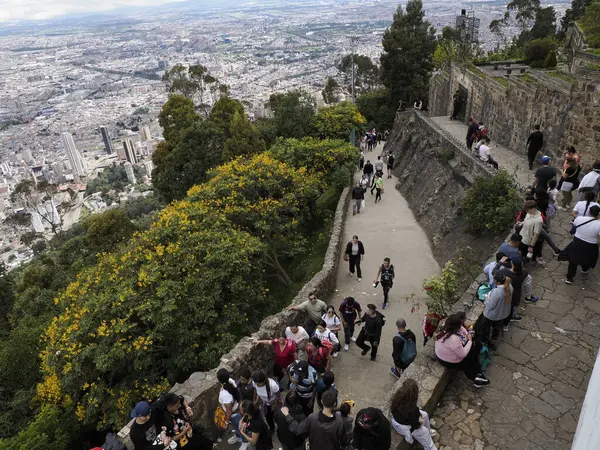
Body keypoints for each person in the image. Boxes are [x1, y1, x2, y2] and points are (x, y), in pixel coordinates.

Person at [434, 314, 489, 387]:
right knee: (469, 359)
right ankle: (476, 377)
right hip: (447, 361)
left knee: (472, 353)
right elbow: (462, 354)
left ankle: (478, 373)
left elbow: (463, 330)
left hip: (442, 354)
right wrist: (470, 341)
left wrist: (467, 335)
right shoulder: (454, 339)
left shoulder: (444, 328)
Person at [281, 390, 347, 450]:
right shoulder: (339, 422)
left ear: (321, 401)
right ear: (335, 404)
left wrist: (287, 415)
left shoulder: (312, 418)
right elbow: (343, 441)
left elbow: (298, 430)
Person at [390, 379, 437, 450]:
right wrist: (420, 421)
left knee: (425, 415)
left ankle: (428, 432)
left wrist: (419, 417)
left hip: (403, 421)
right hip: (408, 427)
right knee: (424, 432)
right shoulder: (410, 409)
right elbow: (416, 425)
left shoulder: (397, 399)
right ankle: (428, 443)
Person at [561, 205, 600, 284]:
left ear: (589, 211)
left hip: (577, 242)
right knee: (587, 258)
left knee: (573, 260)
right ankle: (585, 268)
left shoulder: (579, 218)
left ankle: (569, 278)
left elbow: (575, 226)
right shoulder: (599, 224)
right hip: (591, 245)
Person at [479, 272, 512, 349]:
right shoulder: (510, 287)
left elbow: (490, 306)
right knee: (496, 330)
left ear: (498, 282)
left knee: (485, 329)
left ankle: (485, 343)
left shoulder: (497, 292)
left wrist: (486, 298)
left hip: (491, 315)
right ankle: (492, 342)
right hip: (502, 314)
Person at [217, 368, 246, 448]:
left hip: (234, 415)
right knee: (238, 428)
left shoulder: (225, 395)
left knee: (240, 428)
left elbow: (229, 411)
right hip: (237, 411)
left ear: (219, 380)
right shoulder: (230, 381)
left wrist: (226, 423)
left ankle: (245, 442)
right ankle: (238, 436)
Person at [517, 200, 545, 264]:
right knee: (521, 252)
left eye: (528, 210)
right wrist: (521, 223)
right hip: (522, 237)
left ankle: (525, 263)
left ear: (533, 208)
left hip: (527, 241)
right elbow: (526, 221)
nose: (527, 212)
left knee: (524, 254)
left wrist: (531, 246)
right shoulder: (529, 213)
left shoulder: (538, 220)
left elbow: (536, 234)